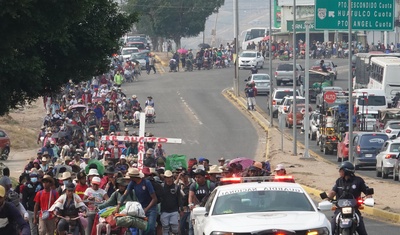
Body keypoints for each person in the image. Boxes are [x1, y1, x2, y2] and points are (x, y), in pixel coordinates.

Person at [326, 161, 370, 235]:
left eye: (341, 170)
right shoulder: (339, 181)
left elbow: (367, 192)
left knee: (362, 230)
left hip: (354, 209)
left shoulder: (358, 181)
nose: (339, 172)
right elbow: (333, 192)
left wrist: (369, 198)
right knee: (331, 228)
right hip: (340, 209)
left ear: (347, 171)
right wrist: (327, 199)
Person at [116, 168, 158, 235]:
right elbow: (125, 194)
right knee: (142, 228)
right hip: (141, 208)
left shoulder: (146, 183)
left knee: (150, 228)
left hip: (151, 208)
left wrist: (146, 209)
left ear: (133, 177)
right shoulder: (132, 183)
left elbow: (154, 199)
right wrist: (118, 205)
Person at [188, 169, 216, 235]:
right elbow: (190, 196)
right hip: (197, 208)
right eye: (196, 177)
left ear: (204, 177)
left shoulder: (210, 185)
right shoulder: (193, 185)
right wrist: (190, 204)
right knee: (191, 227)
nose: (197, 179)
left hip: (208, 209)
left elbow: (214, 196)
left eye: (199, 177)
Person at [160, 170, 182, 235]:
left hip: (174, 210)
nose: (168, 179)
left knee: (175, 228)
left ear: (172, 177)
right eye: (167, 177)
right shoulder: (161, 186)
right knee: (165, 227)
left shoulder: (176, 187)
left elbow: (179, 198)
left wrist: (181, 209)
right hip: (164, 210)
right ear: (165, 178)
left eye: (170, 177)